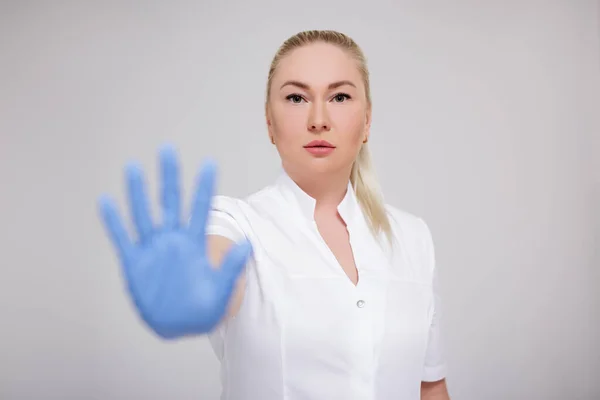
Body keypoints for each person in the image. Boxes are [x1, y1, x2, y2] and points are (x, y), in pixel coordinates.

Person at [98, 30, 450, 400]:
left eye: (340, 96)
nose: (318, 119)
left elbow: (431, 387)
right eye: (296, 97)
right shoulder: (235, 224)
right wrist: (187, 291)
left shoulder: (413, 237)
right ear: (269, 123)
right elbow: (214, 265)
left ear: (367, 122)